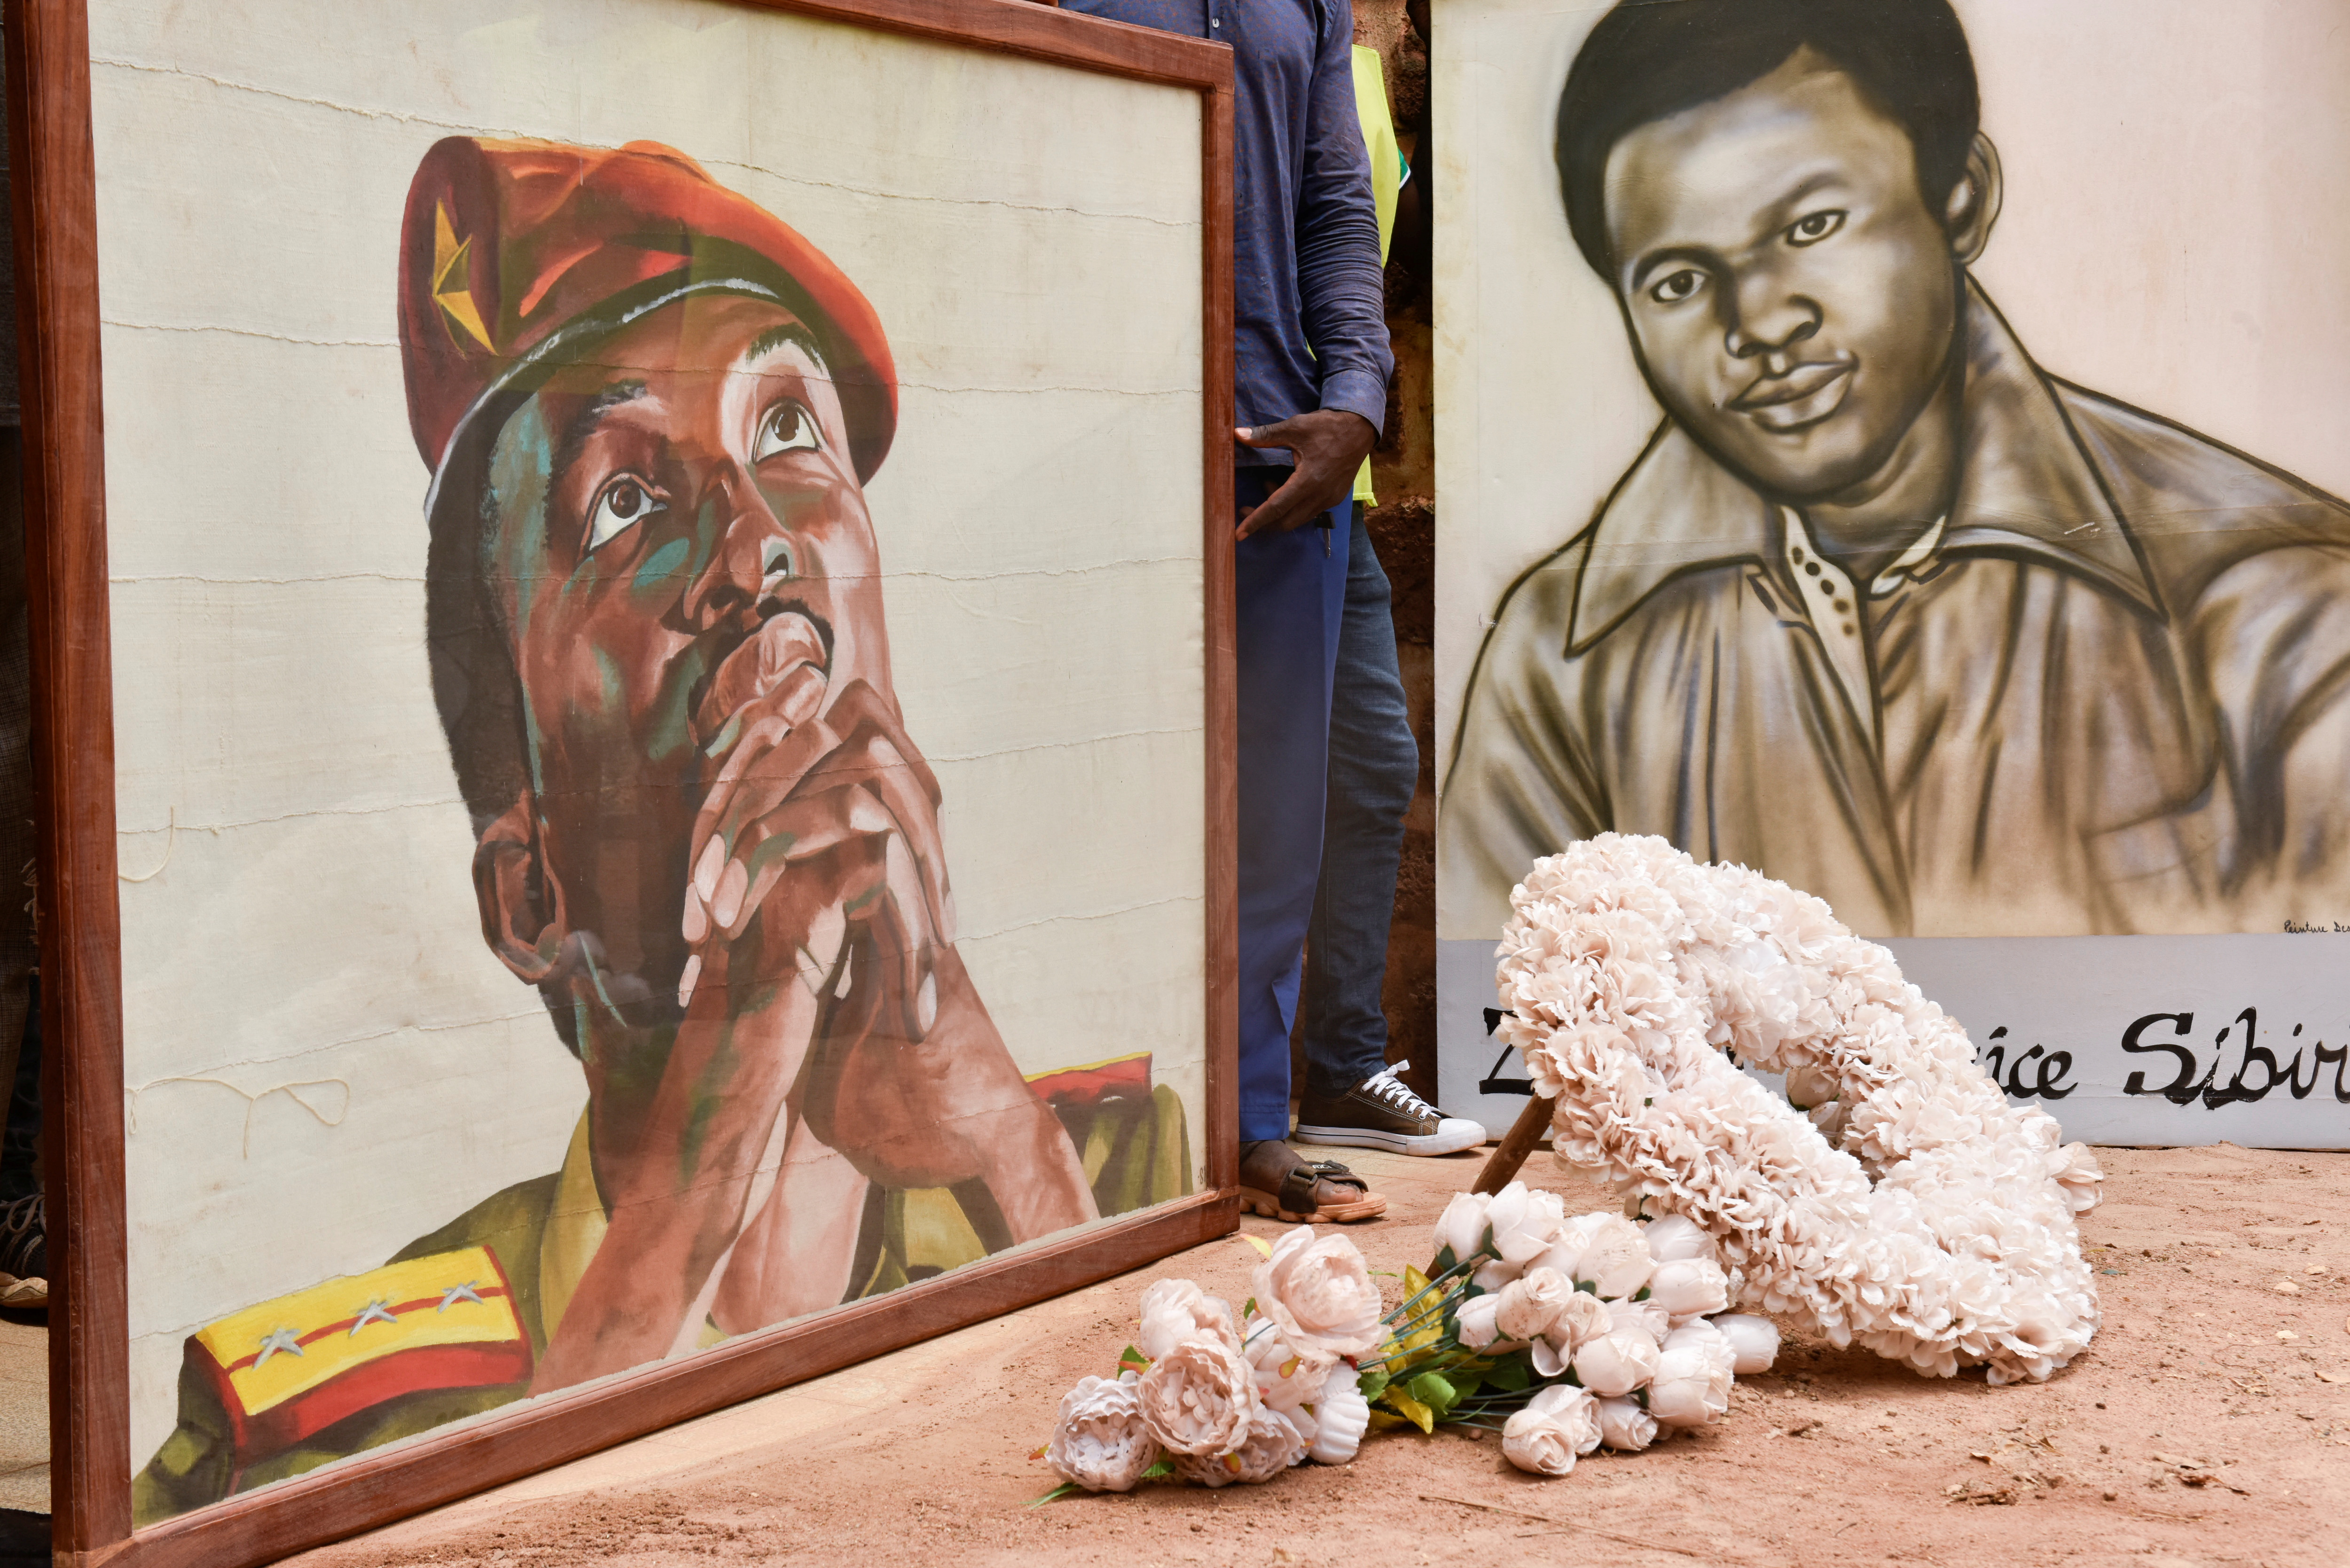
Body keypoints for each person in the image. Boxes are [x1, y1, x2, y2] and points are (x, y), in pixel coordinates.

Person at [133, 137, 1190, 1521]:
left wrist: (996, 1134)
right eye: (626, 502)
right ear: (529, 895)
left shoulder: (1110, 1168)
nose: (759, 549)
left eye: (789, 435)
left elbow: (1199, 1506)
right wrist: (691, 1195)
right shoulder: (318, 1425)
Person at [1442, 0, 2350, 940]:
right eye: (1677, 280)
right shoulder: (1560, 662)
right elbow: (1527, 1042)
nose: (1754, 322)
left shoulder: (2285, 615)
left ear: (1961, 199)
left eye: (1809, 226)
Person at [1291, 43, 1482, 1160]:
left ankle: (1344, 1069)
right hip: (1239, 462)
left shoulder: (1349, 58)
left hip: (1339, 482)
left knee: (1368, 760)